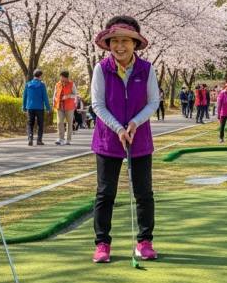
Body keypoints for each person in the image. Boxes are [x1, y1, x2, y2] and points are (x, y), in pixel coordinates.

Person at [90, 15, 160, 264]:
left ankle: (145, 241)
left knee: (144, 193)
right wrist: (118, 128)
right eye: (115, 41)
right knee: (105, 192)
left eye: (125, 41)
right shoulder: (101, 69)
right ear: (108, 44)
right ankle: (102, 244)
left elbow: (154, 102)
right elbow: (97, 104)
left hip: (140, 139)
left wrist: (134, 123)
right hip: (108, 140)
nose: (120, 46)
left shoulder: (147, 69)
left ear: (135, 43)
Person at [23, 69, 50, 146]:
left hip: (30, 107)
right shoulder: (42, 85)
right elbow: (45, 97)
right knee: (40, 124)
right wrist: (48, 108)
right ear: (40, 76)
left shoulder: (27, 84)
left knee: (30, 124)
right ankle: (39, 140)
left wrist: (24, 107)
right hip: (39, 108)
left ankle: (30, 138)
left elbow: (24, 97)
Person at [53, 70, 78, 145]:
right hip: (59, 106)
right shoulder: (57, 84)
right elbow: (55, 94)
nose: (61, 78)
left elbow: (75, 94)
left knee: (69, 123)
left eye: (62, 77)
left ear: (66, 77)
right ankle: (61, 138)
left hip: (69, 106)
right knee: (59, 122)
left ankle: (68, 139)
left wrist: (68, 96)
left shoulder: (71, 84)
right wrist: (54, 100)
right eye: (60, 77)